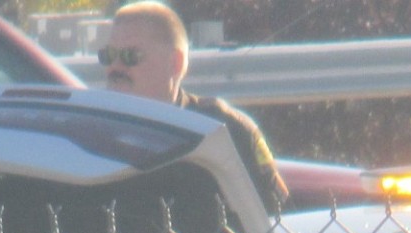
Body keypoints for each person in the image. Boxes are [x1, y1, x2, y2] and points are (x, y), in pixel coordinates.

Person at [102, 1, 289, 214]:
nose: (115, 67)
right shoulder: (88, 132)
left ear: (175, 63)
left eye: (130, 56)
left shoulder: (226, 129)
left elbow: (274, 215)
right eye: (108, 56)